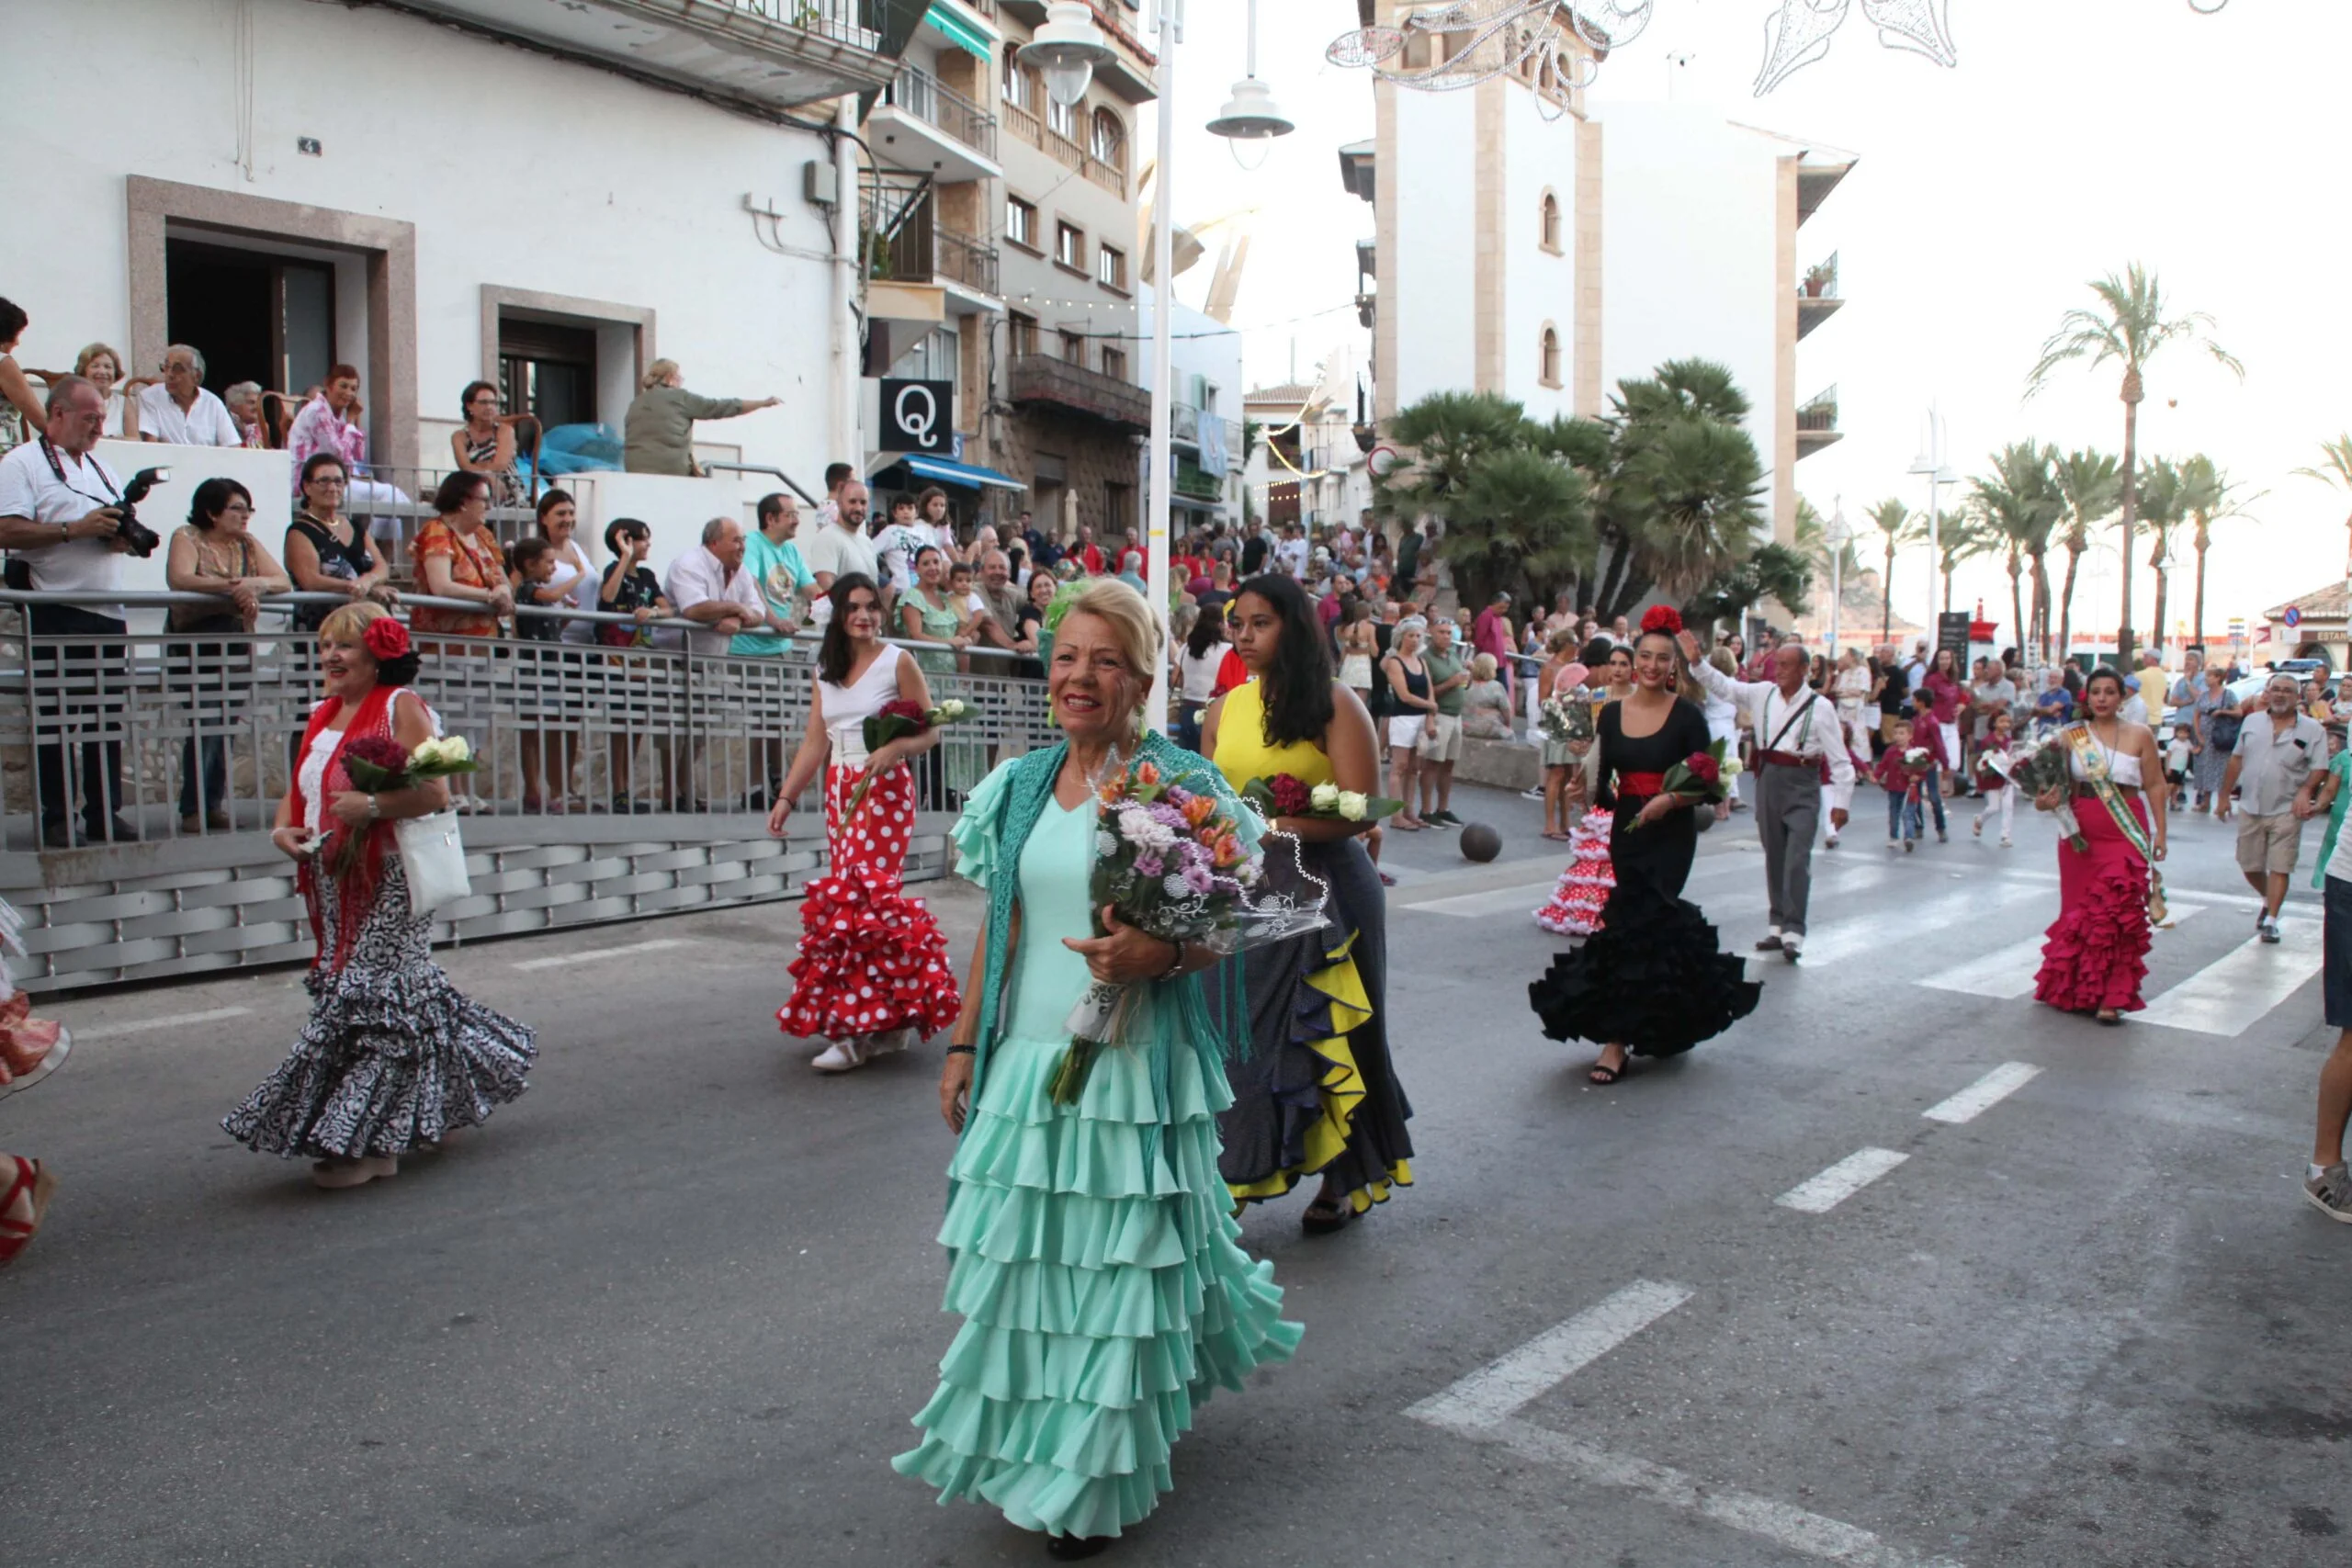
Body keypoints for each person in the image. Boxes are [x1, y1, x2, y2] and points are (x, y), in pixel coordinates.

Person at [897, 579, 1300, 1554]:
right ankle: (1055, 1426)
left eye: (1105, 661)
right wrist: (962, 1042)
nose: (1082, 677)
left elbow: (1251, 916)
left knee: (1117, 1262)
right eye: (1068, 657)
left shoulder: (1181, 784)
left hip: (1131, 1061)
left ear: (1143, 676)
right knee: (1032, 1262)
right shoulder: (1020, 782)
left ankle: (1083, 1478)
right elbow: (1007, 919)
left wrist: (1163, 956)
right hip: (1026, 1061)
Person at [224, 605, 535, 1187]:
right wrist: (282, 828)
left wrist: (372, 806)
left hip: (391, 875)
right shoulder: (322, 713)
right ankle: (435, 1105)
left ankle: (371, 1145)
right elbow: (300, 787)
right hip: (333, 872)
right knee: (397, 995)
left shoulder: (403, 708)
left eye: (345, 647)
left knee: (369, 998)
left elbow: (437, 794)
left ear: (378, 657)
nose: (331, 658)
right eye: (325, 647)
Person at [1202, 572, 1414, 1229]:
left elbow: (1359, 812)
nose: (1244, 635)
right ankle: (1234, 1175)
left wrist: (1274, 825)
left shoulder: (1335, 702)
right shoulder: (1225, 706)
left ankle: (1340, 1181)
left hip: (1328, 894)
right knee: (1238, 1035)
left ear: (1294, 627)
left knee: (1336, 1034)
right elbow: (1208, 794)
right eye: (1238, 623)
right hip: (1246, 891)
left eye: (1260, 623)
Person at [1531, 608, 1759, 1082]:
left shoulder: (1688, 717)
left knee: (1643, 921)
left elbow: (1709, 784)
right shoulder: (1611, 713)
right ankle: (1659, 1023)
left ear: (1673, 664)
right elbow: (1607, 783)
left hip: (1670, 835)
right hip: (1627, 831)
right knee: (1638, 927)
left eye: (1662, 658)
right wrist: (1583, 786)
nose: (1652, 666)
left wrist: (1670, 799)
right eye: (1645, 657)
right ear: (1634, 660)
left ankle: (1617, 1043)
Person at [766, 574, 961, 1072]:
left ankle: (855, 1031)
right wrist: (787, 796)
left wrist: (896, 747)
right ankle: (888, 1019)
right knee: (856, 902)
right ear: (838, 613)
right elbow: (816, 740)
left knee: (863, 901)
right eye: (854, 607)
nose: (864, 616)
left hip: (885, 791)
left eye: (872, 606)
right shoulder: (826, 669)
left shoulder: (898, 660)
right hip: (839, 789)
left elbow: (931, 732)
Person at [0, 376, 137, 847]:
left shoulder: (101, 467)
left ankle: (104, 814)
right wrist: (72, 531)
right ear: (57, 414)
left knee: (105, 719)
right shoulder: (22, 463)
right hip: (53, 606)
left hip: (106, 609)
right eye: (90, 418)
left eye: (102, 418)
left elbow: (103, 525)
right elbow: (7, 531)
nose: (99, 427)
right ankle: (57, 816)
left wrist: (118, 537)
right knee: (56, 718)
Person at [1681, 632, 1853, 962]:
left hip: (1803, 782)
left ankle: (1794, 931)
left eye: (1787, 665)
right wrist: (1697, 662)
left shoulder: (1821, 708)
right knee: (1774, 854)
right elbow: (1726, 687)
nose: (1779, 670)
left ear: (1805, 669)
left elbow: (1841, 760)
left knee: (1797, 860)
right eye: (1777, 664)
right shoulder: (1763, 693)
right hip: (1769, 780)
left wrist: (1841, 804)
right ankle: (1777, 927)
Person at [2030, 667, 2168, 1023]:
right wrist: (2044, 801)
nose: (2103, 698)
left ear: (2121, 697)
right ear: (2087, 698)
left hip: (2125, 827)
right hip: (2080, 835)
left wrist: (2161, 834)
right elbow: (2052, 789)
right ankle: (2076, 990)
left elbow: (2155, 784)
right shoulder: (2071, 736)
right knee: (2079, 914)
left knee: (2117, 912)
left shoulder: (2140, 735)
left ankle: (2111, 996)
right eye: (2096, 692)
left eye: (2110, 692)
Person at [164, 477, 288, 832]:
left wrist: (256, 584)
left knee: (226, 722)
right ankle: (194, 807)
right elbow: (181, 579)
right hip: (196, 639)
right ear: (212, 511)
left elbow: (281, 580)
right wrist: (234, 588)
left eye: (247, 508)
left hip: (235, 639)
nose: (245, 515)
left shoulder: (247, 543)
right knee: (204, 721)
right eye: (237, 508)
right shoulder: (187, 536)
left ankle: (213, 802)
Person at [2218, 673, 2327, 944]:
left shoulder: (2313, 729)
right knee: (2249, 864)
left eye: (2287, 691)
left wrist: (2306, 790)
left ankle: (2271, 920)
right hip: (2251, 804)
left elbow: (2320, 767)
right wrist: (2222, 797)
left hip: (2287, 808)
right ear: (2267, 692)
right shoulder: (2252, 721)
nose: (2280, 695)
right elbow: (2236, 760)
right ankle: (2268, 898)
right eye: (2275, 689)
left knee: (2280, 866)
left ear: (2297, 697)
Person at [597, 518, 682, 813]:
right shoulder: (614, 570)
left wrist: (654, 612)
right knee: (621, 725)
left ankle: (627, 786)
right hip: (617, 659)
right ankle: (618, 789)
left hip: (641, 658)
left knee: (637, 725)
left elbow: (668, 608)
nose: (648, 545)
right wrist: (623, 556)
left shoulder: (647, 576)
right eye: (642, 539)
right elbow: (607, 596)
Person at [284, 452, 397, 631]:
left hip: (366, 627)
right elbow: (310, 580)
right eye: (323, 481)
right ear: (307, 487)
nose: (332, 487)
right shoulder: (299, 531)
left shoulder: (355, 527)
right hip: (326, 630)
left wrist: (368, 581)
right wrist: (356, 587)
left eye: (338, 481)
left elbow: (381, 566)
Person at [619, 358, 777, 476]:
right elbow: (719, 407)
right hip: (671, 470)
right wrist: (762, 403)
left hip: (634, 469)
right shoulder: (680, 397)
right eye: (679, 377)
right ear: (669, 377)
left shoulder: (636, 403)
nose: (681, 381)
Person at [286, 365, 406, 515]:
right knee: (390, 494)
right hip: (311, 484)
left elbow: (358, 454)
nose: (348, 393)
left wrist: (355, 419)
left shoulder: (337, 417)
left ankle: (383, 538)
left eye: (353, 389)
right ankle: (385, 539)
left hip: (335, 482)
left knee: (398, 497)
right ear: (328, 385)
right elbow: (338, 453)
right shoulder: (317, 411)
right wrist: (350, 421)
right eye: (343, 386)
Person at [409, 470, 511, 643]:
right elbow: (441, 586)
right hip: (444, 646)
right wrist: (489, 595)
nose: (489, 507)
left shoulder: (483, 535)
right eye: (485, 500)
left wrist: (504, 590)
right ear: (463, 502)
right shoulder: (437, 531)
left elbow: (504, 581)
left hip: (485, 644)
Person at [665, 516, 773, 656]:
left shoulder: (741, 570)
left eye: (743, 540)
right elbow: (693, 609)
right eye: (736, 541)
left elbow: (758, 611)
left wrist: (738, 619)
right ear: (714, 543)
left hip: (713, 663)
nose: (743, 547)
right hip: (674, 664)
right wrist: (737, 607)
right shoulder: (689, 563)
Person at [733, 492, 814, 657]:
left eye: (797, 515)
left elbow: (813, 591)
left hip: (782, 646)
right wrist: (774, 621)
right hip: (749, 652)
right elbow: (750, 583)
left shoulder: (792, 551)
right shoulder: (752, 543)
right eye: (791, 515)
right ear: (770, 519)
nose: (797, 521)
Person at [1380, 615, 1438, 830]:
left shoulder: (1421, 661)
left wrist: (1430, 712)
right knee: (1399, 767)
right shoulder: (1395, 663)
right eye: (1410, 635)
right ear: (1401, 637)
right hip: (1403, 717)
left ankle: (1409, 811)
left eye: (1418, 636)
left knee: (1414, 768)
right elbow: (1404, 695)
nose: (1414, 639)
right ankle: (1396, 815)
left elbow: (1430, 690)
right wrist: (1430, 706)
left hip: (1420, 718)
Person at [1418, 613, 1471, 827]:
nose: (1446, 637)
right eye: (1441, 632)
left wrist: (1468, 678)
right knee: (1432, 763)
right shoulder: (1425, 658)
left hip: (1456, 715)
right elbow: (1427, 692)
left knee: (1449, 764)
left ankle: (1443, 808)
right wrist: (1452, 682)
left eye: (1449, 633)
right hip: (1438, 715)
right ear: (1431, 633)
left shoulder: (1453, 655)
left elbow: (1462, 683)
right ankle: (1426, 809)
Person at [136, 344, 242, 446]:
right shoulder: (150, 397)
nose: (170, 374)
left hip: (206, 463)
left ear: (197, 376)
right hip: (167, 463)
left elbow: (232, 446)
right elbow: (150, 445)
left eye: (178, 369)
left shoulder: (213, 403)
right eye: (166, 367)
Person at [798, 479, 878, 604]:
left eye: (863, 502)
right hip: (841, 620)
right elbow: (827, 590)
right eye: (852, 502)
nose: (858, 508)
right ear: (839, 503)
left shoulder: (867, 542)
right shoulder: (827, 537)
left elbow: (874, 587)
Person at [898, 543, 974, 674]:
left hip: (952, 675)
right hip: (924, 675)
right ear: (917, 569)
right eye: (926, 564)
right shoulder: (912, 597)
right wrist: (949, 642)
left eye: (936, 562)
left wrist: (965, 638)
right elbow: (916, 635)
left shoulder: (946, 598)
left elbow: (958, 629)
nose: (932, 567)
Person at [450, 379, 527, 504]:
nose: (489, 407)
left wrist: (478, 468)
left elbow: (500, 465)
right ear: (469, 406)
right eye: (483, 402)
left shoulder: (505, 430)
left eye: (493, 402)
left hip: (509, 491)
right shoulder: (459, 436)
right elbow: (464, 467)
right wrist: (488, 476)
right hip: (475, 491)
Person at [1173, 606, 1225, 752]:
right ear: (1220, 624)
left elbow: (1174, 677)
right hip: (1214, 712)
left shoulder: (1186, 647)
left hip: (1187, 710)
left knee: (1188, 764)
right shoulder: (1226, 650)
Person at [2189, 663, 2240, 810]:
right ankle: (2205, 802)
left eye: (2209, 676)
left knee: (2221, 769)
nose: (2206, 679)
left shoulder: (2228, 694)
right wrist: (2198, 734)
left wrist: (2222, 712)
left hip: (2220, 736)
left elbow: (2238, 712)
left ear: (2218, 678)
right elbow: (2196, 715)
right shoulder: (2203, 696)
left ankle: (2222, 802)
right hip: (2205, 737)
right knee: (2205, 768)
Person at [1876, 716, 1930, 850]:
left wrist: (1917, 777)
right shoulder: (1890, 752)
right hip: (1894, 787)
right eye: (1896, 733)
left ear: (1910, 736)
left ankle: (1909, 837)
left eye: (1902, 733)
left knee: (1908, 813)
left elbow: (1923, 769)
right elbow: (1882, 766)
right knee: (1894, 811)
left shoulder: (1915, 753)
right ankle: (1894, 836)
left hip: (1910, 789)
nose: (1898, 736)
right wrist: (1875, 776)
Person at [1973, 709, 2021, 847]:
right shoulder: (1987, 741)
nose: (2005, 724)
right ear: (1994, 723)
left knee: (2008, 806)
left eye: (2007, 721)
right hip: (1994, 778)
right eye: (2002, 721)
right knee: (1993, 807)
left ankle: (2005, 836)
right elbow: (1983, 760)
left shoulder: (2009, 741)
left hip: (2008, 778)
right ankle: (1979, 820)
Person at [74, 341, 137, 438]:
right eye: (95, 366)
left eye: (108, 367)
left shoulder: (124, 404)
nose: (103, 372)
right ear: (83, 372)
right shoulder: (73, 401)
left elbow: (135, 441)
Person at [1472, 591, 1516, 711]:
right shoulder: (1486, 616)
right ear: (1495, 603)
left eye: (1505, 608)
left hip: (1500, 661)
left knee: (1503, 689)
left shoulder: (1499, 619)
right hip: (1490, 662)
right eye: (1501, 607)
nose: (1503, 611)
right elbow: (1479, 639)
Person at [1336, 598, 1377, 711]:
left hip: (1349, 665)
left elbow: (1343, 654)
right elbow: (1375, 652)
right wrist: (1367, 648)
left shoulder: (1348, 628)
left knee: (1345, 703)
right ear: (1368, 613)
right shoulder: (1370, 628)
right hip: (1362, 666)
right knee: (1360, 706)